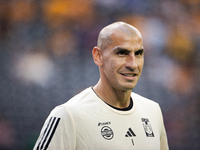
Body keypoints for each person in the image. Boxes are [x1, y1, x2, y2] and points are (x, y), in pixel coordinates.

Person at [33, 22, 169, 150]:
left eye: (138, 54)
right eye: (122, 53)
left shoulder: (153, 111)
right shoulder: (68, 115)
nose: (133, 64)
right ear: (98, 56)